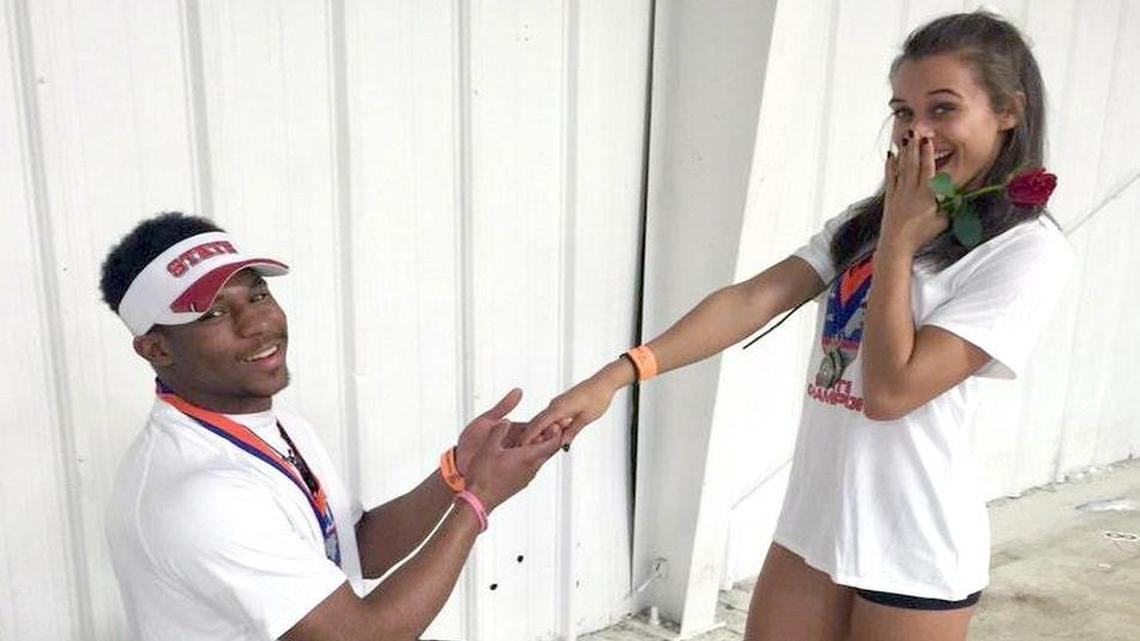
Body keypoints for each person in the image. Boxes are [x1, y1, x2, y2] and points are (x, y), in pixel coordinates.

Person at [523, 11, 1072, 641]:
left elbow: (891, 394)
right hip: (815, 524)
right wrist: (617, 377)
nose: (917, 132)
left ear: (1009, 111)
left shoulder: (1024, 254)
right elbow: (755, 298)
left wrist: (898, 241)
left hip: (914, 547)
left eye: (943, 109)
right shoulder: (865, 222)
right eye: (902, 111)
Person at [101, 212, 563, 641]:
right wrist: (478, 501)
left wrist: (458, 471)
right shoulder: (200, 496)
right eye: (214, 313)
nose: (258, 323)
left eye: (257, 295)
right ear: (156, 349)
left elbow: (359, 548)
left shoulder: (274, 420)